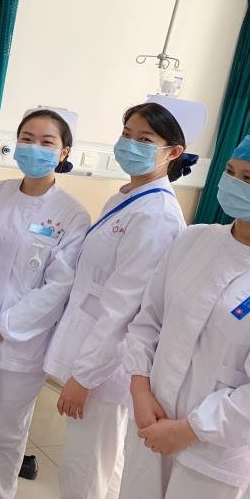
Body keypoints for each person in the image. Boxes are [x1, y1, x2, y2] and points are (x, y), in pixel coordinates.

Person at [43, 96, 206, 499]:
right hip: (95, 354)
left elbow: (124, 308)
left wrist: (85, 377)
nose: (130, 144)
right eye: (126, 134)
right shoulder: (127, 198)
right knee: (98, 467)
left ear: (174, 152)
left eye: (145, 139)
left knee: (85, 473)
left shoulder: (157, 215)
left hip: (107, 368)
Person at [0, 108, 91, 499]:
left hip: (20, 344)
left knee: (6, 435)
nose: (34, 148)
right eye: (27, 139)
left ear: (64, 152)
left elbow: (58, 287)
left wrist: (2, 327)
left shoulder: (72, 215)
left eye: (47, 142)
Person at [118, 137, 250, 499]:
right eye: (230, 172)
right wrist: (140, 389)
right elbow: (148, 321)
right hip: (151, 418)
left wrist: (188, 430)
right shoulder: (194, 240)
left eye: (248, 179)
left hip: (215, 451)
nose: (234, 184)